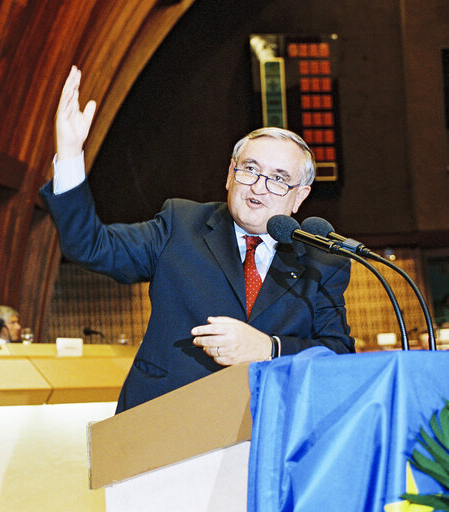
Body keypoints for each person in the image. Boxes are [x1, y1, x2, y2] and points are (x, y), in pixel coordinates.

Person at [40, 66, 355, 413]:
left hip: (263, 430)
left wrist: (269, 349)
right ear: (230, 174)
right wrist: (69, 154)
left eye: (279, 179)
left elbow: (337, 355)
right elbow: (91, 246)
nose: (259, 186)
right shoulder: (181, 224)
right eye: (250, 169)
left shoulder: (321, 259)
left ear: (299, 197)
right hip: (165, 422)